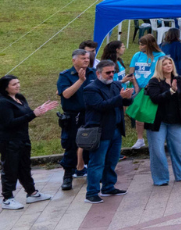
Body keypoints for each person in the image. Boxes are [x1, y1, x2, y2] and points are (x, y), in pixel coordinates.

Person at [80, 57, 136, 203]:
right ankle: (91, 193)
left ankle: (108, 186)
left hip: (116, 129)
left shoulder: (116, 85)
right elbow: (100, 106)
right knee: (97, 163)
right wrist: (120, 98)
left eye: (113, 72)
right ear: (98, 73)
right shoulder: (90, 89)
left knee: (112, 161)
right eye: (108, 72)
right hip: (101, 131)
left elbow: (125, 102)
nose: (111, 75)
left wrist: (128, 97)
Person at [1, 74, 56, 209]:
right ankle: (7, 198)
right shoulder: (3, 102)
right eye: (14, 84)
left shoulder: (20, 97)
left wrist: (38, 111)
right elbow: (9, 123)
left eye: (18, 83)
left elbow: (26, 114)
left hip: (23, 139)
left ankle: (32, 193)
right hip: (9, 141)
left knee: (25, 167)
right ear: (5, 87)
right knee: (10, 168)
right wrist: (33, 114)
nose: (18, 86)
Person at [144, 55, 181, 185]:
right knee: (158, 152)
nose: (168, 66)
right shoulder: (154, 81)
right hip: (157, 121)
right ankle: (161, 179)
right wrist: (171, 90)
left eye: (170, 63)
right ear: (160, 67)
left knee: (179, 148)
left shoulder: (178, 79)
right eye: (165, 64)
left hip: (175, 119)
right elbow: (155, 99)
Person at [56, 48, 91, 190]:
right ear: (74, 60)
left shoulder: (93, 73)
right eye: (83, 58)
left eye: (88, 58)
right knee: (71, 146)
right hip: (72, 117)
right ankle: (68, 175)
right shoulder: (65, 75)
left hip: (90, 114)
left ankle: (93, 174)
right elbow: (66, 94)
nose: (87, 60)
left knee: (91, 144)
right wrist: (81, 80)